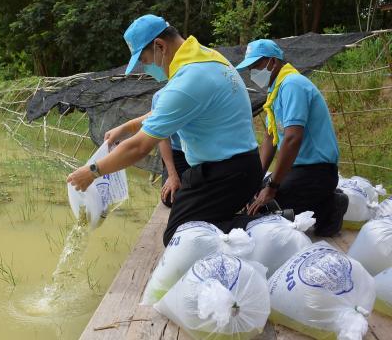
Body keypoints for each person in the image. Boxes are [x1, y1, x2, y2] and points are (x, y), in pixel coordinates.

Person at [67, 14, 262, 246]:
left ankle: (266, 226)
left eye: (146, 60)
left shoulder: (188, 80)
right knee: (180, 214)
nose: (148, 68)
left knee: (179, 236)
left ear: (160, 46)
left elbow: (139, 147)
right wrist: (125, 127)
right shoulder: (207, 58)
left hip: (227, 175)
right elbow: (166, 112)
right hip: (237, 167)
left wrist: (92, 172)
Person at [236, 39, 348, 236]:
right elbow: (271, 138)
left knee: (264, 208)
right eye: (250, 68)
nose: (253, 72)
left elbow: (292, 139)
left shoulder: (292, 85)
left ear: (273, 62)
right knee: (252, 197)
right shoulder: (276, 90)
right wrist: (257, 179)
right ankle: (321, 202)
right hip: (298, 171)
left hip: (317, 172)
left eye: (256, 66)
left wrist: (272, 187)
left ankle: (330, 206)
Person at [152, 89, 190, 207]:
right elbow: (162, 136)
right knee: (171, 198)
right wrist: (172, 175)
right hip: (177, 151)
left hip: (201, 150)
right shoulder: (160, 96)